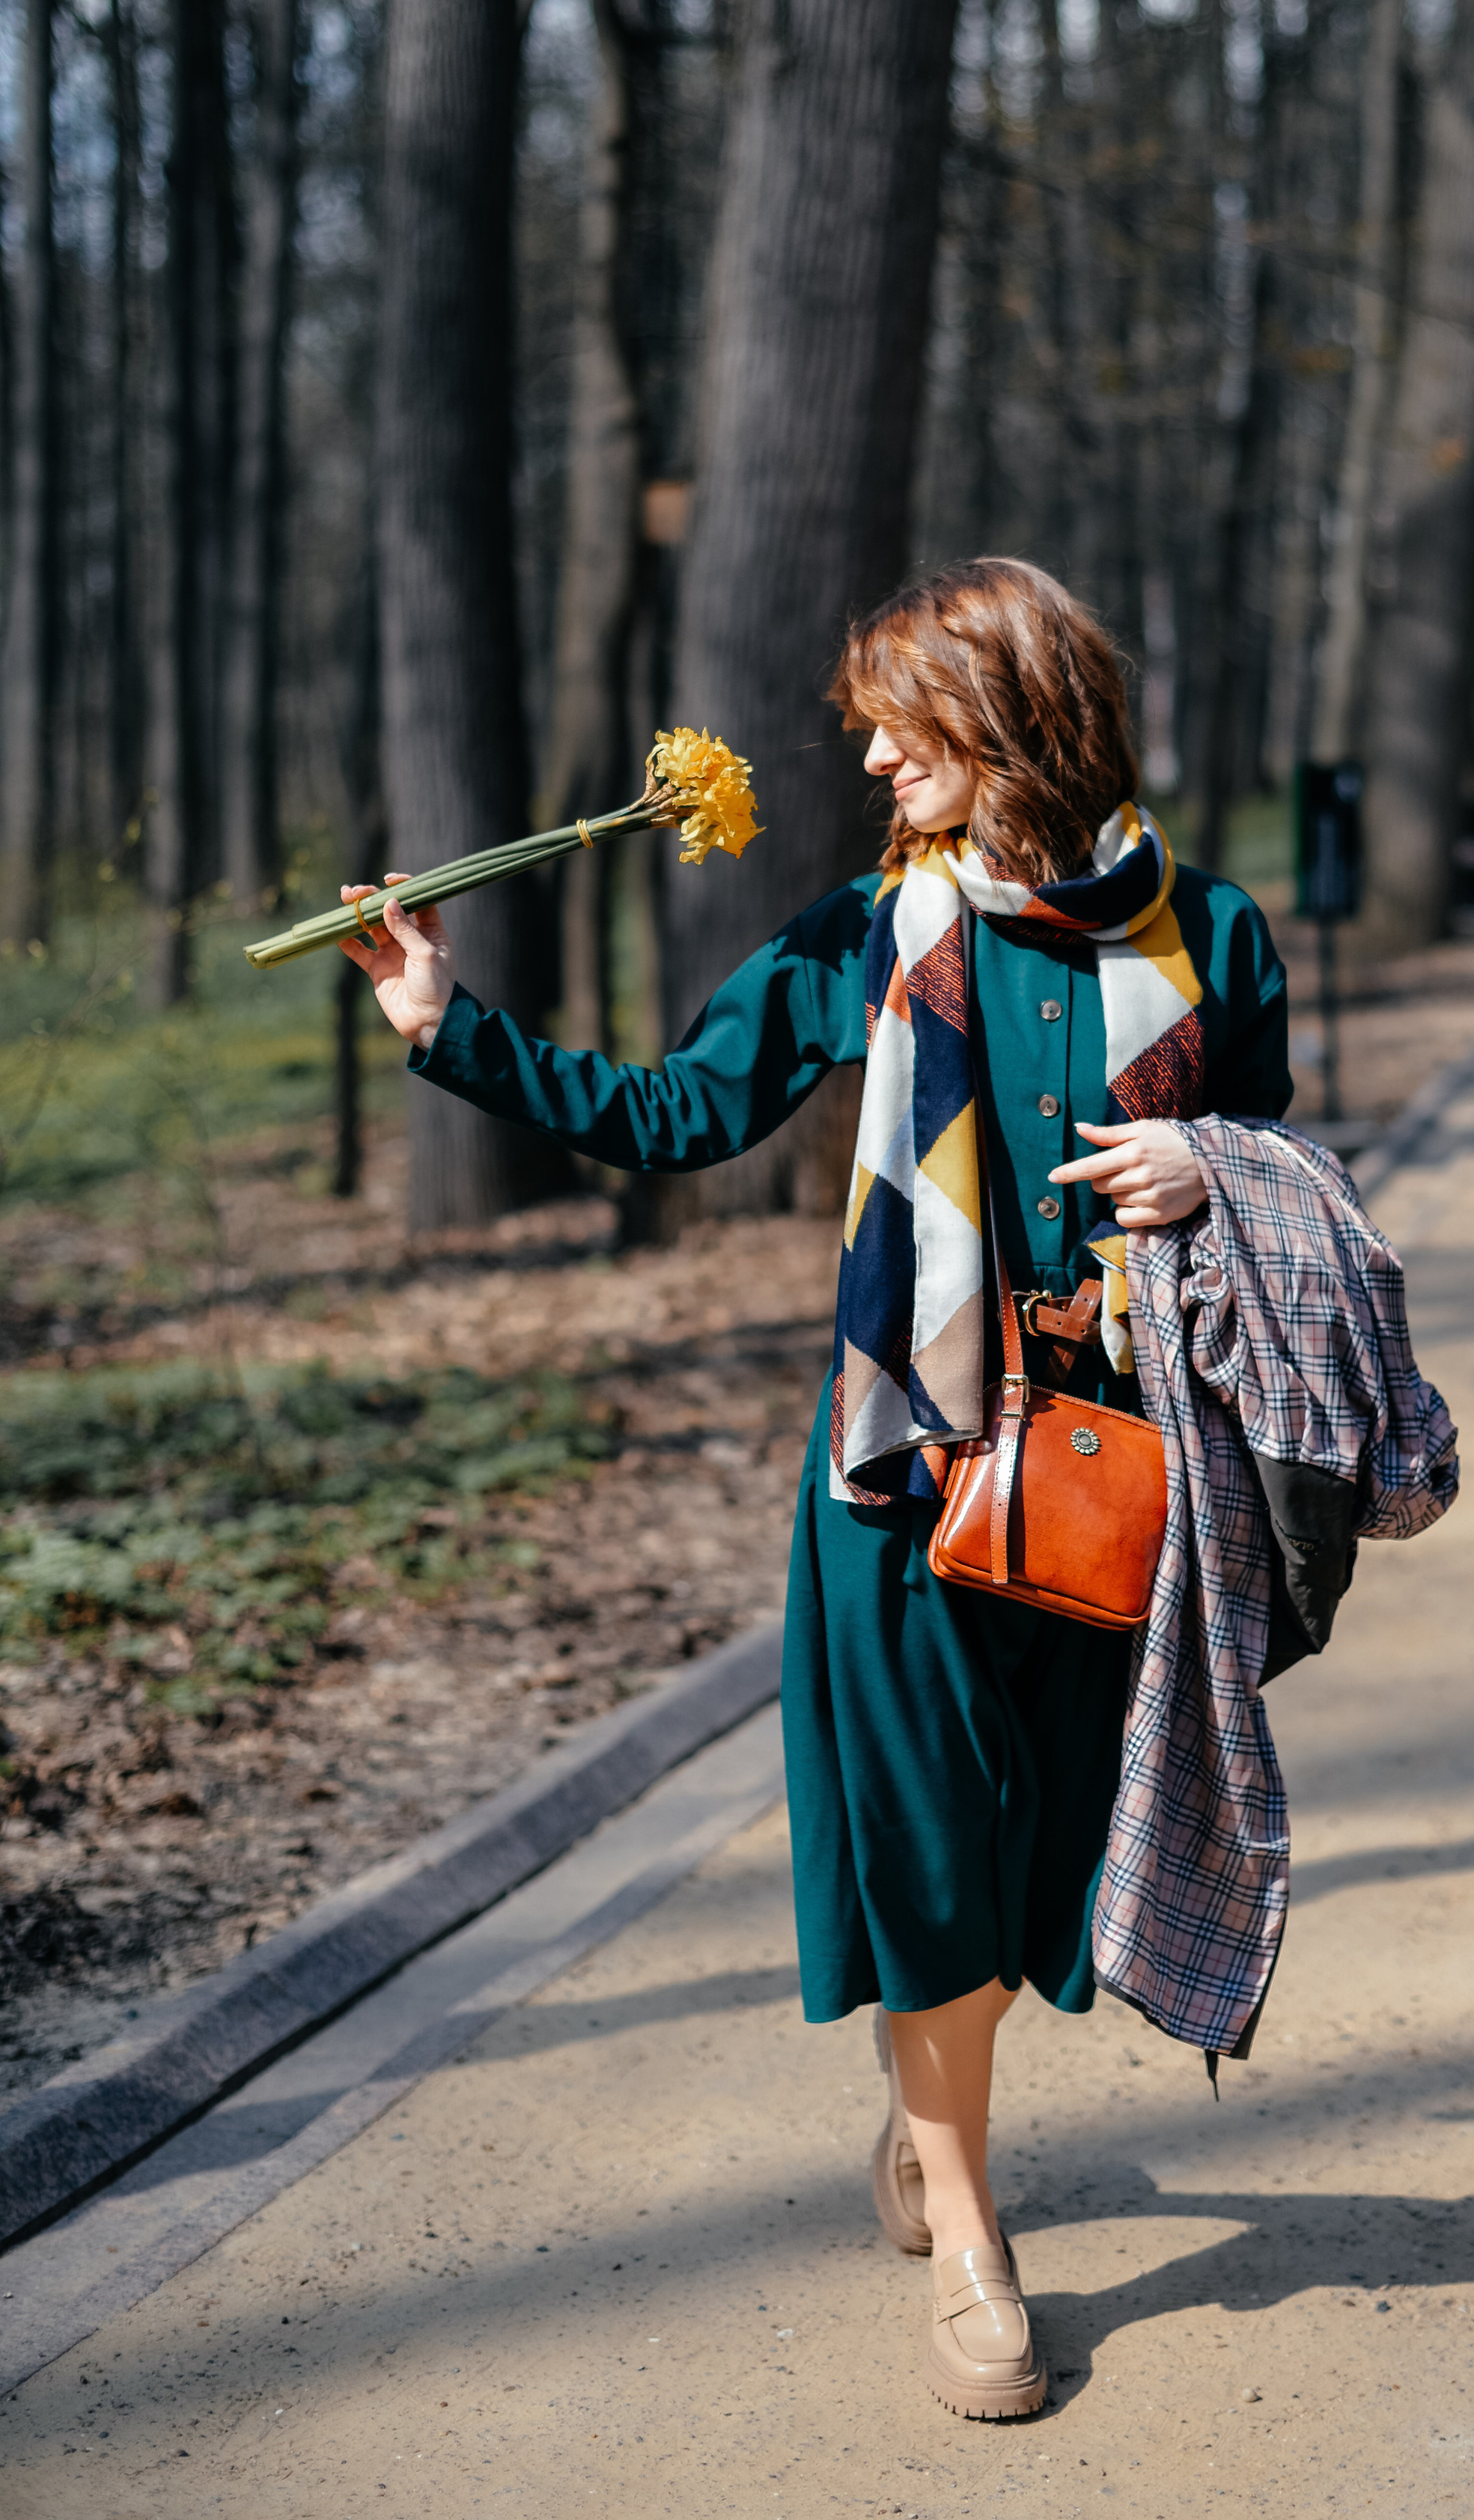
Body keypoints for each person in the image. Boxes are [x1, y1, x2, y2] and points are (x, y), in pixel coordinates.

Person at [339, 559, 1292, 2420]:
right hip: (903, 1470)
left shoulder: (1213, 937)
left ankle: (921, 2102)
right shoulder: (863, 934)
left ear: (1005, 716)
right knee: (932, 1852)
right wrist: (442, 1024)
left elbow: (1282, 1164)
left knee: (1040, 1866)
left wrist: (1211, 1172)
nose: (864, 754)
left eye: (897, 721)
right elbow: (678, 1116)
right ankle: (968, 2238)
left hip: (1112, 1478)